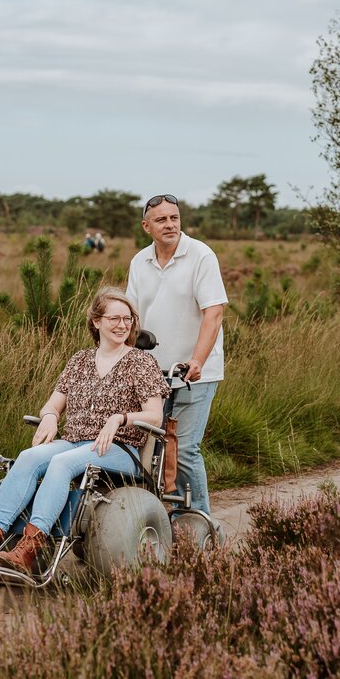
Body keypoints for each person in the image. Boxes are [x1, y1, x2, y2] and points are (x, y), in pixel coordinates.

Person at [0, 287, 167, 578]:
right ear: (96, 322)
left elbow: (155, 415)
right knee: (28, 457)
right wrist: (50, 417)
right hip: (75, 442)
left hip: (118, 448)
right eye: (114, 318)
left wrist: (120, 418)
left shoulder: (141, 362)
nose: (122, 325)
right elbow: (52, 404)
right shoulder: (79, 361)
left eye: (127, 319)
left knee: (61, 463)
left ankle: (30, 548)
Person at [126, 194, 227, 516]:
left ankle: (198, 524)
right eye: (161, 220)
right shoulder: (139, 261)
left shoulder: (201, 255)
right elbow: (131, 318)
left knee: (182, 450)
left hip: (194, 374)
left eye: (174, 218)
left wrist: (197, 360)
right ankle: (159, 517)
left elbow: (214, 313)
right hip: (151, 374)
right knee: (149, 450)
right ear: (146, 227)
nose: (170, 224)